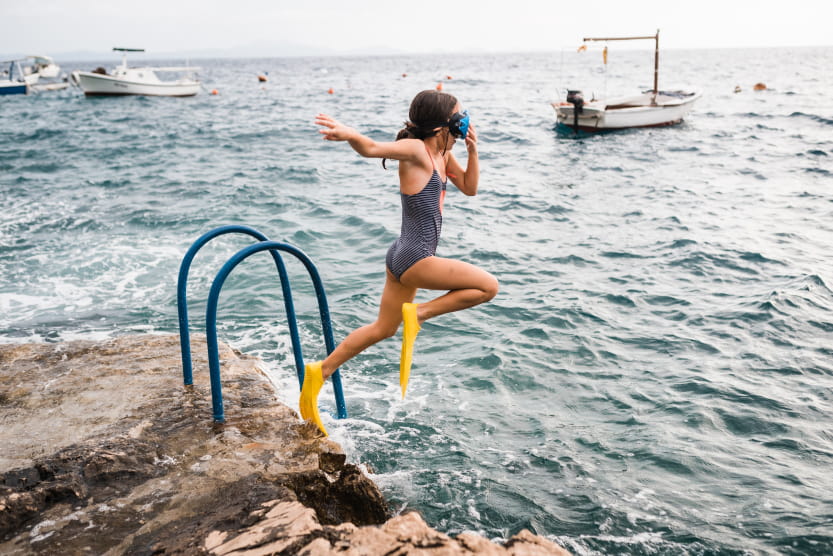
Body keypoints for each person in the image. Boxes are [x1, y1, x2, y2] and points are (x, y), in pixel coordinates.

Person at [302, 89, 498, 435]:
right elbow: (373, 148)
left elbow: (469, 187)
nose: (465, 118)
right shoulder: (417, 150)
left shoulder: (442, 155)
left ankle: (320, 371)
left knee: (383, 329)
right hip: (415, 258)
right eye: (460, 115)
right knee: (487, 287)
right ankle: (418, 314)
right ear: (443, 125)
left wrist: (472, 149)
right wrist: (348, 134)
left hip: (400, 256)